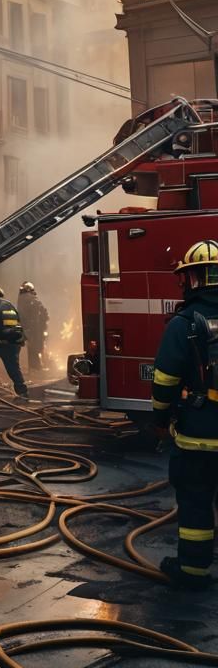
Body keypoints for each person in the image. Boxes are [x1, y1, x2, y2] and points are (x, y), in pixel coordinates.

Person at [151, 240, 218, 589]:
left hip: (199, 433)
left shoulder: (184, 323)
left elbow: (164, 380)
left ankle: (192, 570)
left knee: (194, 500)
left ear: (191, 278)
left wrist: (160, 420)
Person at [17, 281, 49, 373]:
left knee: (31, 347)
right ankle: (37, 368)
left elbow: (20, 315)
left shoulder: (21, 300)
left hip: (27, 328)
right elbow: (45, 314)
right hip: (35, 329)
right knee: (36, 347)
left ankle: (34, 368)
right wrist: (43, 326)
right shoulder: (34, 299)